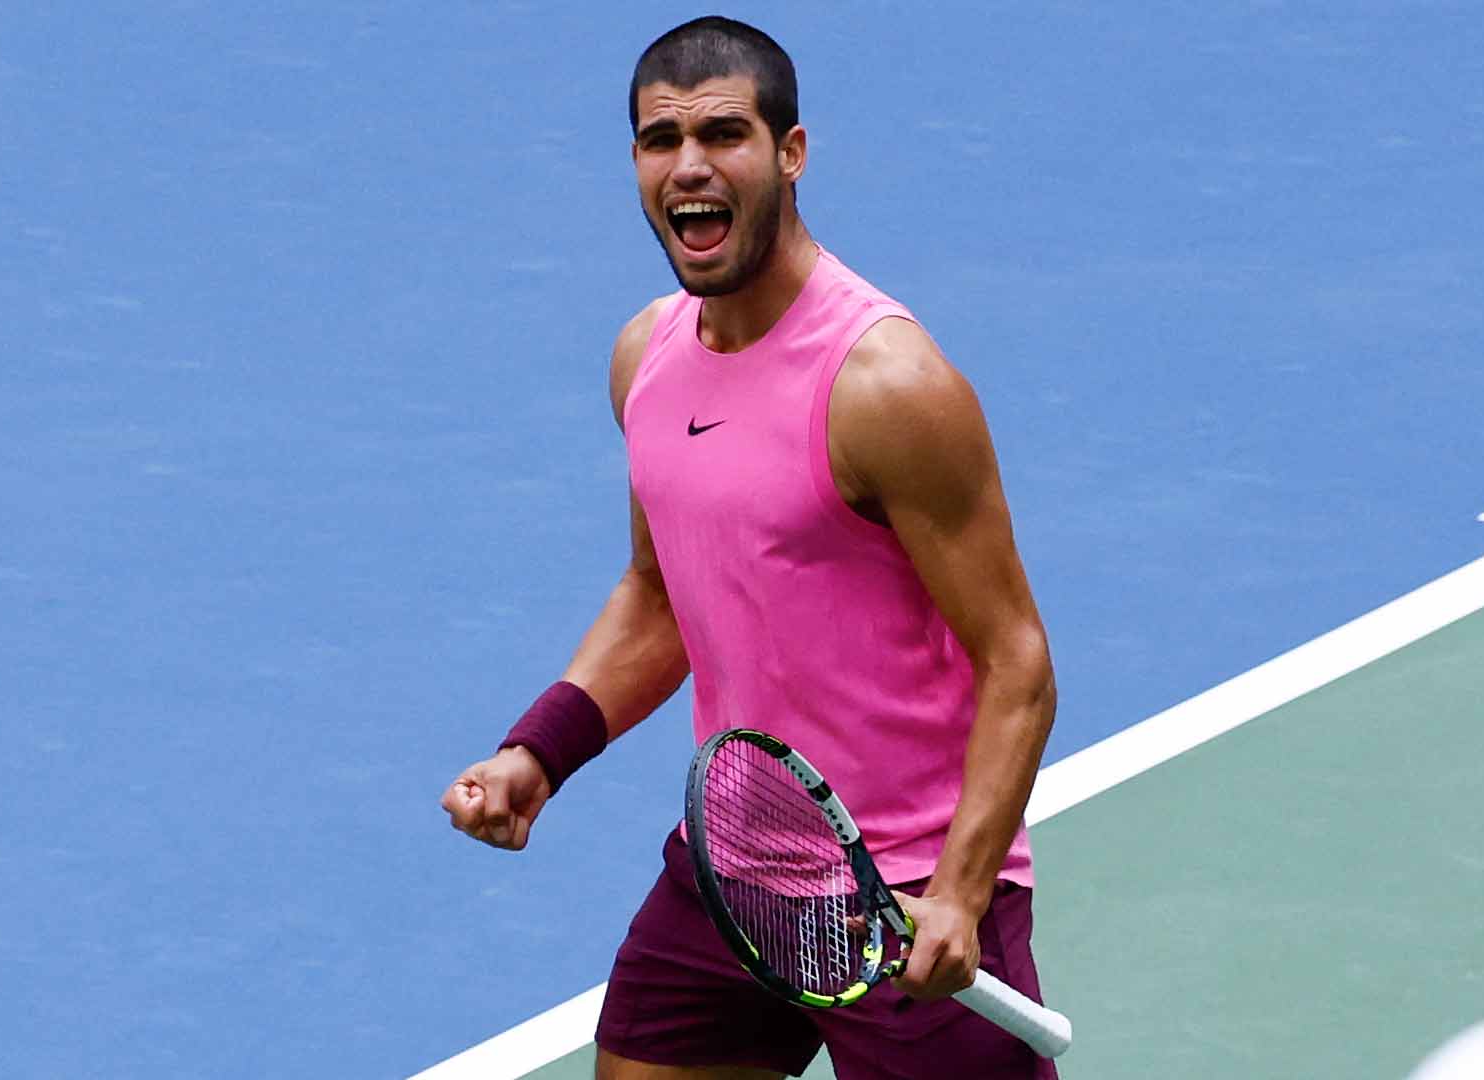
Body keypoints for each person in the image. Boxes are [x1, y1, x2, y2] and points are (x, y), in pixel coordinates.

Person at [442, 16, 1058, 1080]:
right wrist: (539, 751)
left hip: (900, 895)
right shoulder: (647, 359)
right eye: (658, 140)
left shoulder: (887, 388)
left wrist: (960, 889)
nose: (688, 167)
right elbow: (660, 595)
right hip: (734, 871)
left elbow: (1019, 663)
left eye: (723, 133)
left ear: (791, 152)